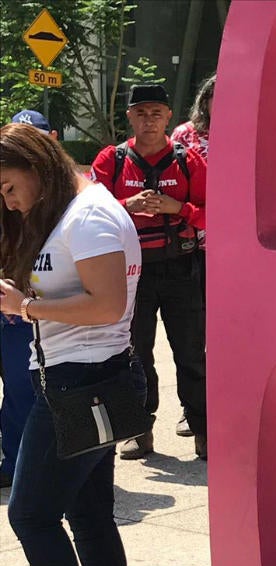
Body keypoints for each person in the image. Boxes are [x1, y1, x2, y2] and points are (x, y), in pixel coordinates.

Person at [0, 122, 149, 566]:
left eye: (11, 188)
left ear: (38, 167)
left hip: (79, 384)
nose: (9, 202)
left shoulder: (87, 216)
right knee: (88, 513)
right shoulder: (78, 211)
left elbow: (109, 306)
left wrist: (27, 306)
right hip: (87, 380)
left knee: (31, 515)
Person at [91, 84, 208, 460]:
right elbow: (89, 213)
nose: (149, 120)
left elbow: (216, 211)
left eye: (156, 112)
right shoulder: (112, 159)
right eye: (141, 113)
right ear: (130, 117)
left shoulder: (188, 160)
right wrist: (128, 204)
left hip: (181, 266)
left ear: (169, 117)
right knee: (136, 353)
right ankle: (139, 430)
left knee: (191, 352)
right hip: (130, 272)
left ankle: (202, 427)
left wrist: (179, 208)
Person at [0, 111, 59, 488]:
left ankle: (18, 466)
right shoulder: (5, 189)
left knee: (23, 390)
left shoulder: (61, 203)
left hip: (23, 312)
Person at [171, 73, 215, 439]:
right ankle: (196, 410)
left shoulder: (252, 126)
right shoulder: (185, 135)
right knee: (194, 334)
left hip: (241, 247)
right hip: (194, 245)